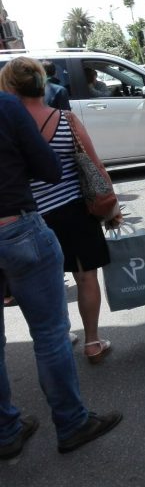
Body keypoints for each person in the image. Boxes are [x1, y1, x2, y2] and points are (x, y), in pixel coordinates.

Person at [0, 86, 122, 459]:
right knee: (51, 334)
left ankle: (6, 431)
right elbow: (49, 169)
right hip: (14, 225)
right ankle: (71, 423)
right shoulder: (6, 106)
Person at [0, 58, 122, 366]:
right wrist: (112, 208)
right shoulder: (65, 119)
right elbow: (95, 166)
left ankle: (60, 334)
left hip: (31, 219)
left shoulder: (10, 125)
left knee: (44, 283)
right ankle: (93, 342)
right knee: (85, 277)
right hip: (75, 213)